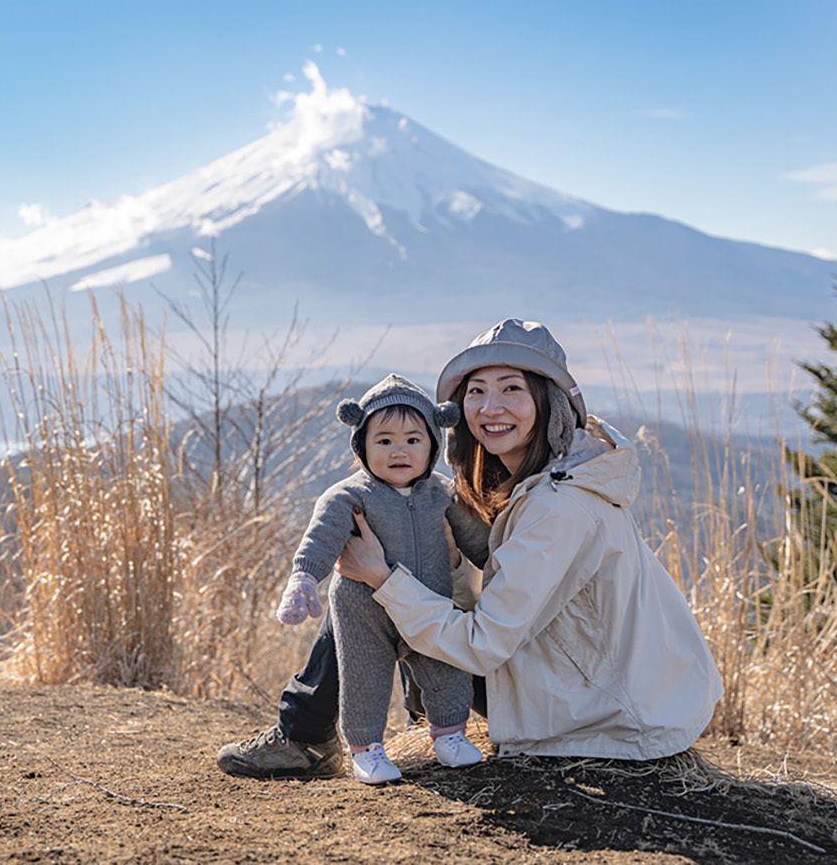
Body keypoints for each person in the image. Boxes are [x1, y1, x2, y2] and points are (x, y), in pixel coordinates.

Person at [216, 319, 722, 775]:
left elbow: (483, 642)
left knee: (371, 579)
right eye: (477, 391)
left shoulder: (560, 508)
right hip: (594, 683)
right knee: (378, 568)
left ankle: (304, 736)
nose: (490, 407)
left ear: (550, 400)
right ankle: (319, 730)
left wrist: (384, 578)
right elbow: (501, 589)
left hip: (601, 710)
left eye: (511, 390)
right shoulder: (552, 472)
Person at [271, 374, 486, 784]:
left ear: (433, 446)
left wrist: (508, 563)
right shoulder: (349, 495)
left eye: (412, 440)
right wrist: (302, 579)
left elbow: (478, 541)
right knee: (364, 680)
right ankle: (367, 749)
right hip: (364, 611)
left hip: (428, 603)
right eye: (384, 441)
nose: (398, 450)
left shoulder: (444, 494)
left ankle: (449, 735)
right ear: (362, 448)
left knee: (447, 670)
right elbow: (321, 539)